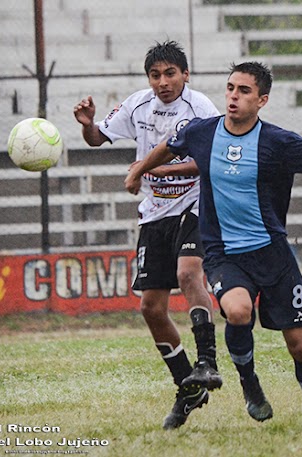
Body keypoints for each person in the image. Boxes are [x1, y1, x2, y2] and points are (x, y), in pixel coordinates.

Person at [124, 61, 302, 428]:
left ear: (262, 100)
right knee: (237, 310)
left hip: (272, 254)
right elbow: (169, 146)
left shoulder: (277, 142)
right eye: (231, 88)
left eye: (244, 91)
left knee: (300, 346)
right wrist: (139, 168)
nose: (233, 96)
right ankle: (250, 385)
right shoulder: (203, 132)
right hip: (223, 253)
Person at [73, 40, 223, 430]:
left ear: (185, 75)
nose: (162, 82)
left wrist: (150, 170)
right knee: (150, 308)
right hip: (153, 216)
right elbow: (96, 139)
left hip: (194, 207)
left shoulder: (201, 109)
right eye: (155, 75)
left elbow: (209, 161)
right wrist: (88, 124)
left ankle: (207, 361)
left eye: (170, 73)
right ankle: (188, 385)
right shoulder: (138, 105)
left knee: (189, 274)